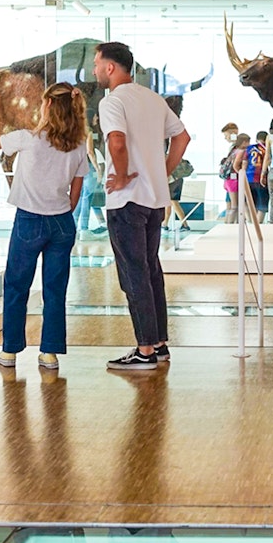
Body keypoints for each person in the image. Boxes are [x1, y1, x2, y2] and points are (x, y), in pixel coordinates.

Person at [0, 83, 89, 371]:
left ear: (48, 107)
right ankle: (49, 353)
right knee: (55, 290)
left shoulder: (29, 139)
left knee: (16, 286)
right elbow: (77, 186)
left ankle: (9, 352)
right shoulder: (78, 143)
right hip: (61, 222)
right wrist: (63, 211)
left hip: (29, 221)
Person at [94, 41, 191, 371]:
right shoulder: (153, 98)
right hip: (154, 201)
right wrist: (161, 172)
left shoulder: (112, 102)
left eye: (97, 64)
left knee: (134, 276)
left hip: (127, 202)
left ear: (111, 68)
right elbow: (182, 138)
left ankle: (145, 351)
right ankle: (159, 344)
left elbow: (116, 142)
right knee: (150, 271)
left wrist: (120, 177)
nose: (94, 70)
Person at [223, 133, 250, 224]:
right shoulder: (241, 152)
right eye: (248, 142)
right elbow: (235, 166)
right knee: (235, 205)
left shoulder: (234, 150)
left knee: (235, 205)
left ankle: (232, 223)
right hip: (234, 180)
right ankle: (230, 224)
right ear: (244, 142)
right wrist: (242, 174)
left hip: (228, 180)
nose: (249, 145)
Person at [246, 131, 269, 222]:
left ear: (256, 139)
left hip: (249, 178)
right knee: (262, 205)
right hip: (261, 179)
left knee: (252, 202)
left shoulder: (249, 148)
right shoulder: (266, 149)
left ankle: (252, 223)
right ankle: (259, 224)